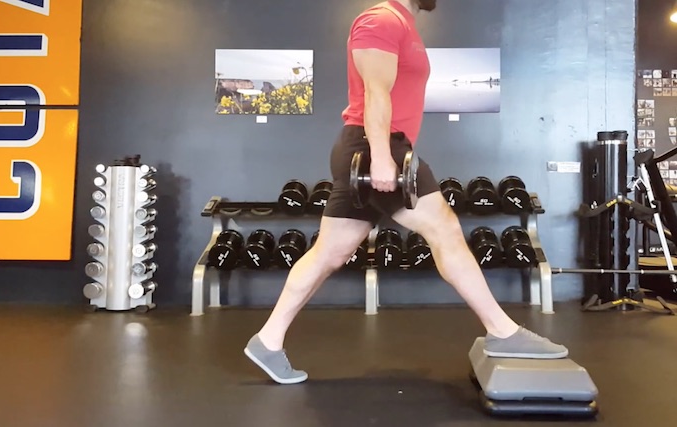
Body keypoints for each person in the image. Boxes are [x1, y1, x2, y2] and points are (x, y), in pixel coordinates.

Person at [244, 0, 569, 385]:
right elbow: (376, 91)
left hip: (370, 147)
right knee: (444, 228)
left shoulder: (402, 24)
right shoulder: (380, 20)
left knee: (330, 252)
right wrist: (382, 157)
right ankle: (502, 331)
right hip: (376, 147)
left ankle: (268, 339)